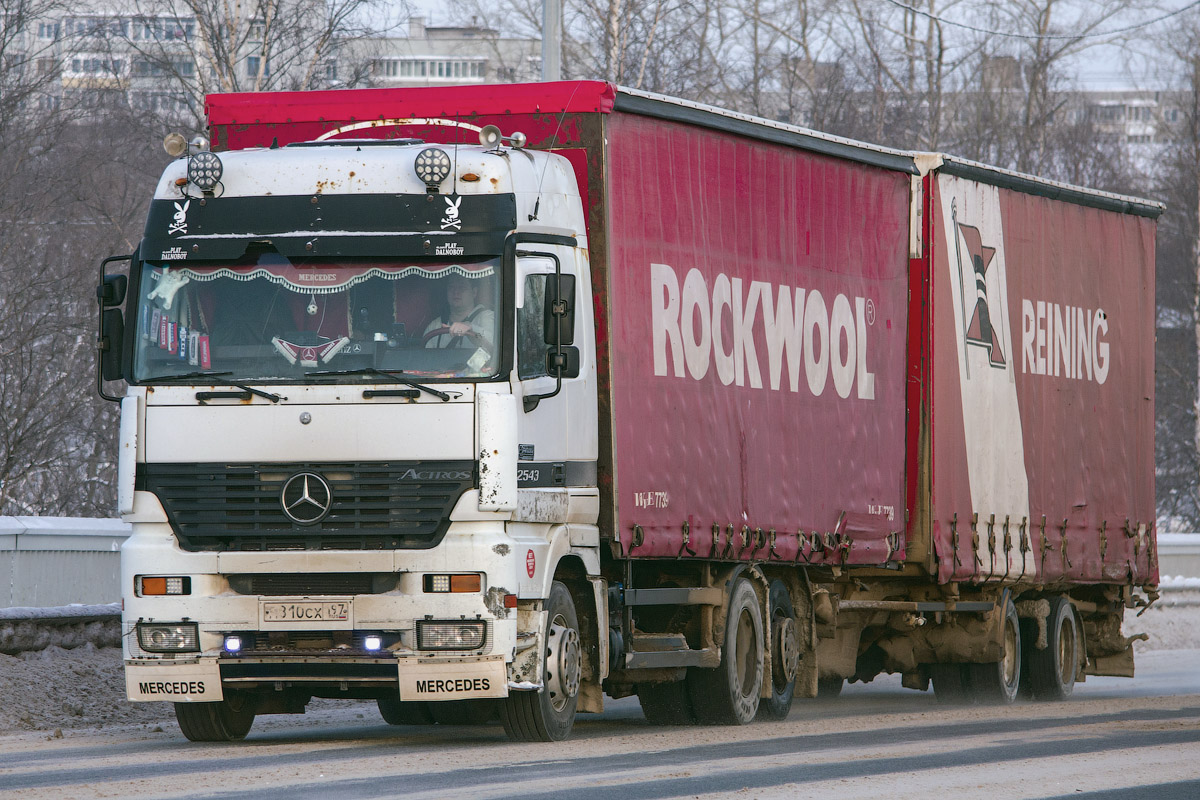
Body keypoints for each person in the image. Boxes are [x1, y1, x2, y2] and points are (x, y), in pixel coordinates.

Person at [424, 273, 495, 350]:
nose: (456, 292)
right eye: (451, 287)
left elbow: (495, 343)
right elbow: (425, 359)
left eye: (462, 287)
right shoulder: (435, 325)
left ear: (474, 292)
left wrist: (472, 329)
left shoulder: (486, 317)